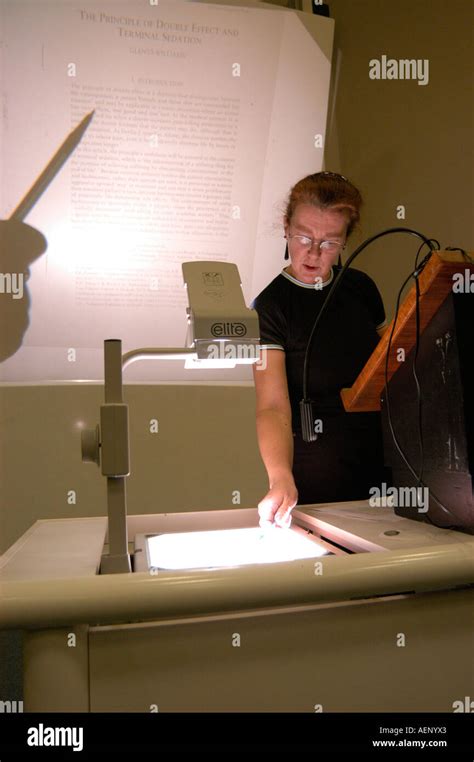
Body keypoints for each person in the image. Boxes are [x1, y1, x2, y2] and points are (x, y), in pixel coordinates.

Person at [252, 171, 388, 529]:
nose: (313, 253)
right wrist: (280, 477)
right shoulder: (271, 307)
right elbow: (271, 405)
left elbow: (393, 366)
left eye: (329, 243)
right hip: (319, 475)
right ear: (285, 227)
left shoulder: (361, 289)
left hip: (384, 463)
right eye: (303, 237)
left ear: (345, 241)